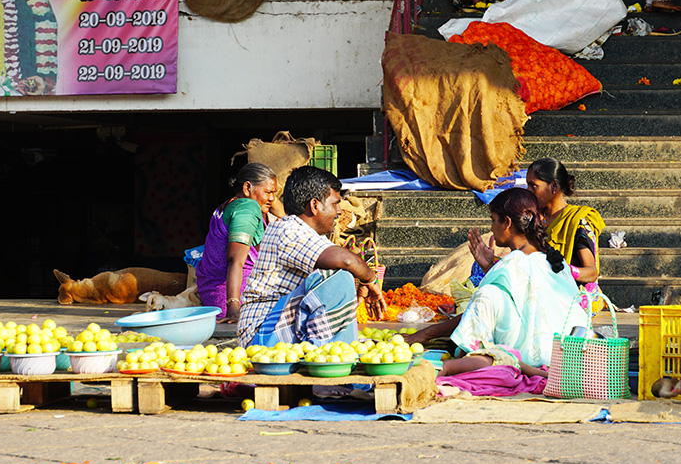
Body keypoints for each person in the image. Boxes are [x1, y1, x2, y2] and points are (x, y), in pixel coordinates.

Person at [403, 188, 586, 378]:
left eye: (492, 219)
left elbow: (478, 311)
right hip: (569, 355)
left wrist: (423, 335)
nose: (491, 228)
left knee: (487, 293)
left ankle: (451, 367)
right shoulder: (556, 260)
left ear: (507, 222)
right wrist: (489, 266)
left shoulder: (511, 264)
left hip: (529, 356)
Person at [237, 165, 387, 347]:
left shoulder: (298, 230)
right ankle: (332, 354)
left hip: (273, 331)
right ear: (315, 205)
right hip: (261, 336)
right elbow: (347, 260)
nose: (339, 211)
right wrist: (370, 280)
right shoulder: (289, 230)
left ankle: (339, 351)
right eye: (335, 203)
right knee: (339, 277)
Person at [195, 163, 278, 323]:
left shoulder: (229, 205)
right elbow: (235, 260)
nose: (272, 199)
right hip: (233, 297)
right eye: (268, 192)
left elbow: (281, 213)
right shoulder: (247, 208)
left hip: (212, 292)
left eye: (274, 193)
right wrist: (233, 307)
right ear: (247, 188)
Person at [525, 158, 606, 307]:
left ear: (554, 186)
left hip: (572, 297)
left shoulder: (576, 221)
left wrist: (565, 269)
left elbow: (591, 273)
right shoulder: (533, 218)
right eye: (527, 185)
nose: (528, 192)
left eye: (533, 186)